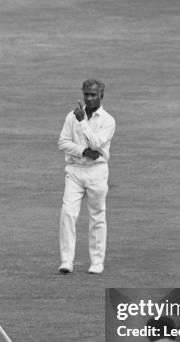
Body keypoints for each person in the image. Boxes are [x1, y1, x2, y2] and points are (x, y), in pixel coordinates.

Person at [58, 79, 116, 274]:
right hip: (74, 170)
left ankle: (97, 262)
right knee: (67, 213)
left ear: (101, 96)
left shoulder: (108, 120)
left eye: (93, 95)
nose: (89, 98)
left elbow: (96, 143)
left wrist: (83, 122)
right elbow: (63, 142)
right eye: (86, 94)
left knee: (97, 216)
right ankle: (67, 260)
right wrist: (82, 151)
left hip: (97, 172)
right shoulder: (71, 116)